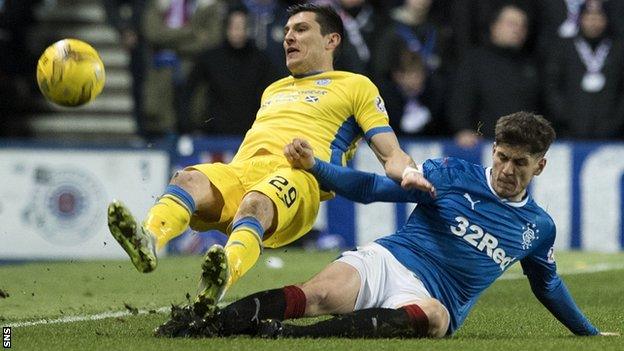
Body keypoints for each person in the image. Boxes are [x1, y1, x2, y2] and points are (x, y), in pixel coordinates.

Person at [154, 111, 617, 339]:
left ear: (540, 166)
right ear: (492, 151)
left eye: (520, 163)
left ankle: (292, 337)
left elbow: (548, 285)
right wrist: (316, 166)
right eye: (501, 157)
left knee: (436, 320)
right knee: (317, 294)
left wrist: (589, 334)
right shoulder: (450, 175)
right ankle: (203, 321)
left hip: (434, 297)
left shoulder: (539, 228)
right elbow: (372, 188)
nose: (507, 169)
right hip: (391, 258)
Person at [108, 3, 420, 310]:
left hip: (300, 174)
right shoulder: (273, 89)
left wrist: (410, 174)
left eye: (300, 29)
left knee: (255, 203)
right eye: (286, 31)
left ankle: (224, 273)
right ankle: (149, 240)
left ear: (331, 40)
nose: (288, 38)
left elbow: (390, 152)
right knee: (187, 179)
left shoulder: (356, 86)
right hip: (243, 170)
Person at [447, 4, 540, 148]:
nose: (518, 29)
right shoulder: (474, 61)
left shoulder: (531, 65)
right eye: (512, 24)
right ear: (494, 26)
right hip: (482, 148)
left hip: (523, 148)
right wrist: (462, 129)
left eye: (523, 26)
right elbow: (460, 100)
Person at [543, 0, 624, 139]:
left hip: (612, 133)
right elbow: (551, 86)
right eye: (589, 17)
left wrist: (616, 122)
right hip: (569, 131)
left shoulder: (618, 49)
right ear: (580, 19)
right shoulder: (563, 48)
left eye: (599, 17)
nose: (593, 22)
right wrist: (565, 117)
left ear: (607, 19)